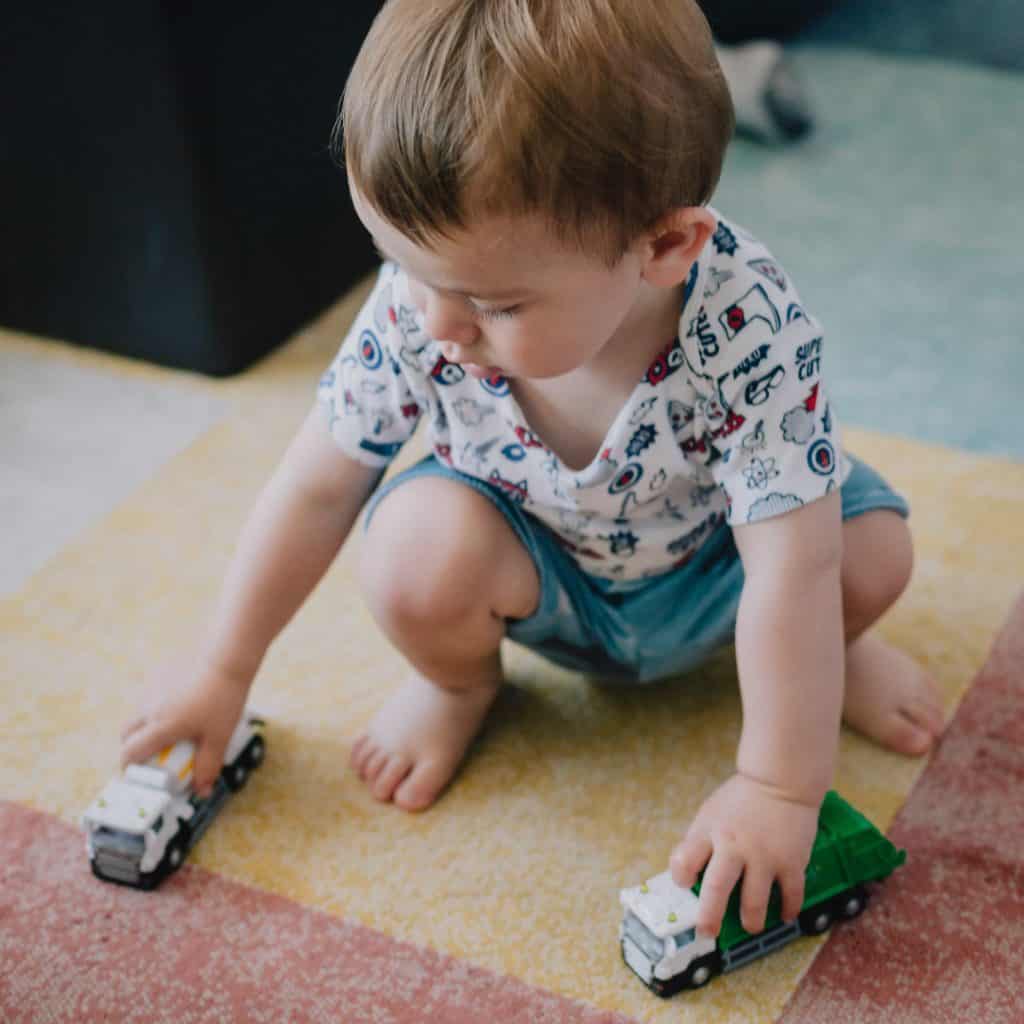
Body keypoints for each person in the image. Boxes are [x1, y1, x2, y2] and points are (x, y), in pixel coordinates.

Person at [120, 0, 944, 941]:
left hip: (724, 570)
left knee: (866, 552)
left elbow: (792, 566)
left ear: (665, 249)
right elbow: (316, 485)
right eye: (402, 267)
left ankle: (828, 659)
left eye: (492, 299)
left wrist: (779, 788)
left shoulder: (747, 322)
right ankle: (462, 685)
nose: (436, 324)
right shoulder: (424, 308)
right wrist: (223, 668)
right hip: (542, 576)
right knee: (410, 557)